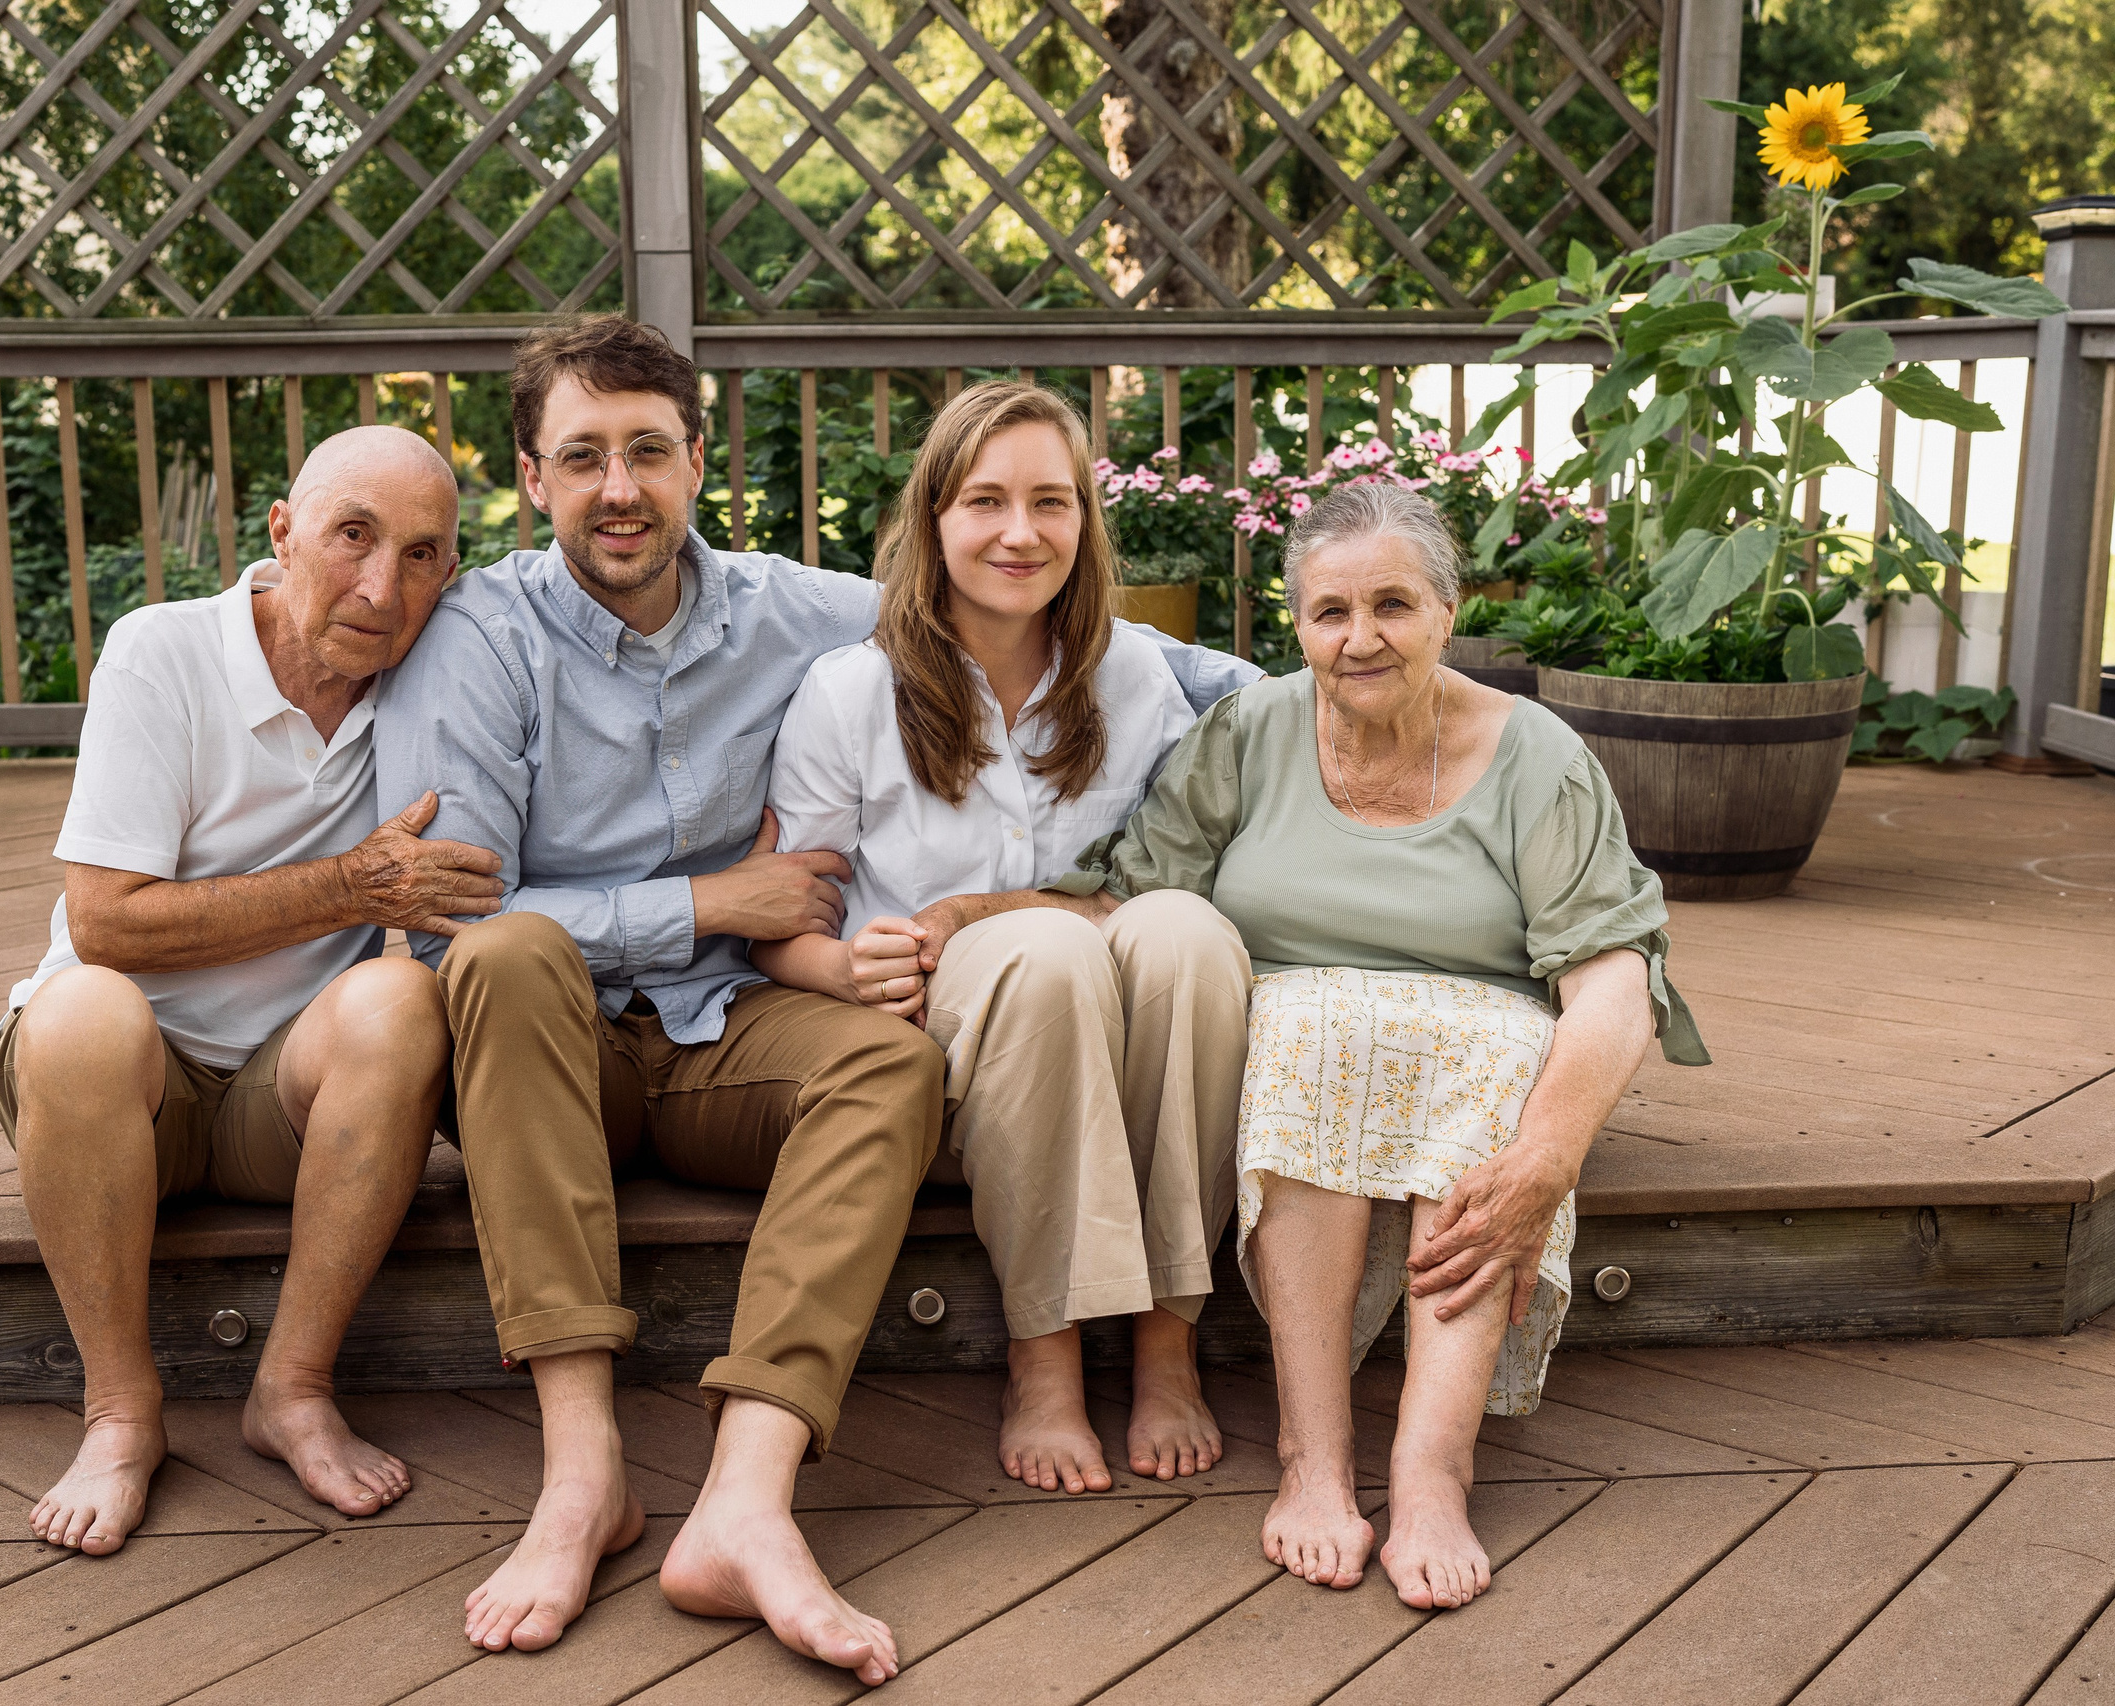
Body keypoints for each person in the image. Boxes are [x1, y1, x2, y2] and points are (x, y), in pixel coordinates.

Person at [375, 317, 1253, 1685]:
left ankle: (746, 1495)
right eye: (584, 456)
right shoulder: (479, 637)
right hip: (552, 1051)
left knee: (890, 1062)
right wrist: (711, 902)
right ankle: (581, 1475)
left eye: (649, 450)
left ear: (697, 460)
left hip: (731, 1028)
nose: (621, 487)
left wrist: (1360, 685)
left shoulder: (796, 608)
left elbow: (1035, 616)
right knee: (508, 954)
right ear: (532, 476)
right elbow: (459, 919)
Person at [1053, 481, 1708, 1613]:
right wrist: (964, 924)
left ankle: (1432, 1470)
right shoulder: (1247, 732)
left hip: (1480, 1056)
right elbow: (1133, 899)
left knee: (1501, 1049)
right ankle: (1312, 1457)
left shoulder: (1537, 756)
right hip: (1295, 1042)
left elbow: (1613, 977)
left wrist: (1549, 1156)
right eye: (1331, 612)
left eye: (1393, 605)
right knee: (1314, 1028)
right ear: (1298, 625)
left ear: (1450, 614)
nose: (1360, 637)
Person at [0, 426, 506, 1556]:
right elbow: (105, 922)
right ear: (282, 532)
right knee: (81, 1009)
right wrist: (349, 887)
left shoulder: (439, 679)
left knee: (400, 1002)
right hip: (117, 1089)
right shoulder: (162, 650)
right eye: (352, 536)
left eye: (422, 555)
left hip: (286, 1097)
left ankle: (293, 1388)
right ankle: (121, 1412)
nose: (382, 588)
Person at [756, 381, 1250, 1500]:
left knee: (1188, 934)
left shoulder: (1132, 675)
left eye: (1049, 502)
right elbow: (780, 929)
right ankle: (1047, 1349)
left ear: (1084, 521)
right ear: (933, 519)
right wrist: (842, 966)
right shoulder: (852, 691)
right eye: (985, 500)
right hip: (953, 1049)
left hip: (1112, 1030)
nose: (1020, 533)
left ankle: (1169, 1336)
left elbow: (1177, 874)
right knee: (1047, 953)